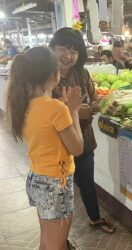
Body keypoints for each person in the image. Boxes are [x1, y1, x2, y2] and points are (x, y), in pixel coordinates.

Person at [5, 46, 84, 250]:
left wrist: (67, 110)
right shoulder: (56, 108)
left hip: (37, 180)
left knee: (47, 241)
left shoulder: (22, 104)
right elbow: (77, 148)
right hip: (56, 184)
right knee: (56, 245)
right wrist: (73, 111)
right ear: (54, 75)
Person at [49, 28, 116, 234]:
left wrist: (97, 106)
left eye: (74, 51)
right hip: (56, 145)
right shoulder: (45, 76)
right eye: (63, 49)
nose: (68, 56)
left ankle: (95, 218)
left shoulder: (82, 73)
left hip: (84, 139)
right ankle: (59, 239)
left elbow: (94, 99)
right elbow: (45, 112)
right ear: (52, 48)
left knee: (86, 181)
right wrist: (76, 113)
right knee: (59, 192)